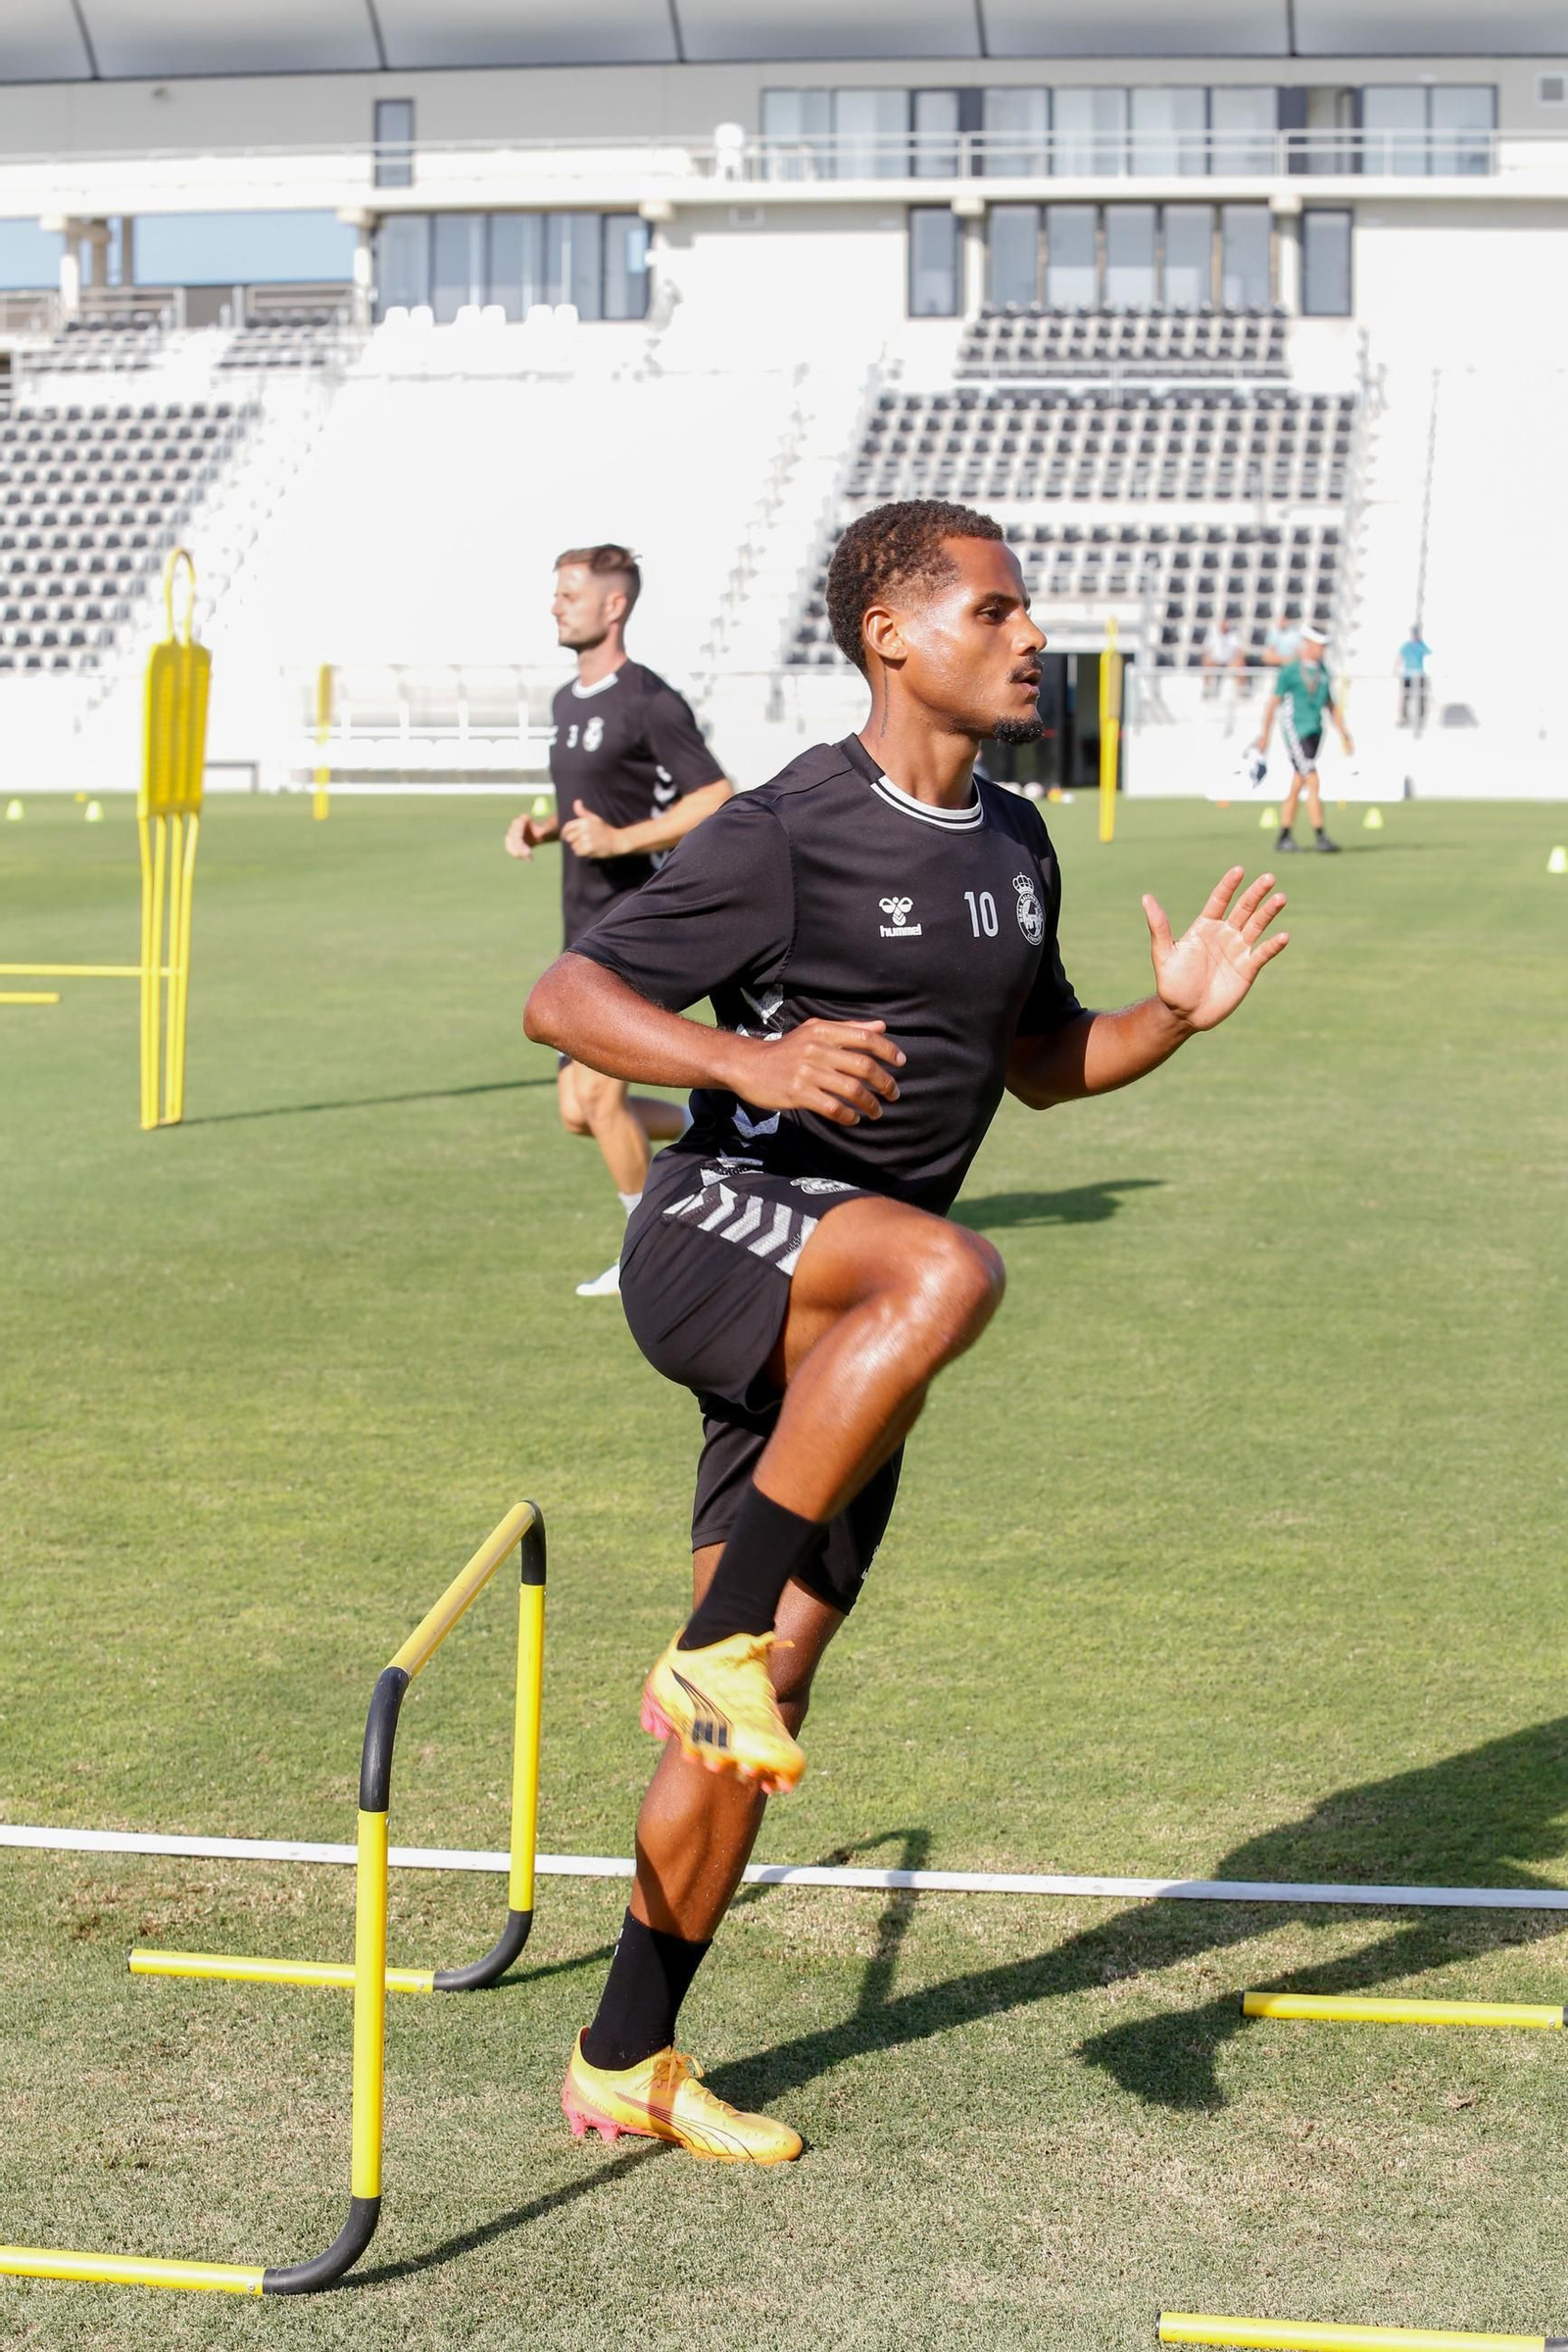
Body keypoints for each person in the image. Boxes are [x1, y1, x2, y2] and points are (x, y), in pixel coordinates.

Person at [524, 499, 1289, 2164]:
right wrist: (746, 1066)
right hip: (722, 1238)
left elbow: (1039, 1061)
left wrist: (1170, 1015)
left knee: (768, 1705)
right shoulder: (791, 825)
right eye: (997, 612)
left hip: (842, 1336)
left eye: (1031, 615)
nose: (1033, 639)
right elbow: (566, 1004)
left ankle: (625, 2057)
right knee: (953, 1276)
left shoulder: (1016, 842)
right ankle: (712, 1637)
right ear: (892, 635)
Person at [507, 544, 734, 1296]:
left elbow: (716, 797)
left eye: (569, 593)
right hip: (580, 926)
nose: (555, 605)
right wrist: (543, 829)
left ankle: (648, 1255)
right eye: (555, 593)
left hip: (640, 926)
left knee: (604, 1099)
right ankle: (730, 1125)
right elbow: (593, 806)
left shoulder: (650, 700)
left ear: (615, 606)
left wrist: (621, 841)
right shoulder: (567, 702)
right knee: (580, 1113)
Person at [1254, 623, 1353, 855]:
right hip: (1295, 730)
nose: (1323, 650)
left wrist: (1345, 735)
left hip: (1315, 731)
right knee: (1312, 779)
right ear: (1308, 644)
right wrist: (1265, 736)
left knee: (1299, 783)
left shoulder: (1324, 672)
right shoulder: (1290, 671)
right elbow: (1273, 705)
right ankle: (1320, 836)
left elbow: (1330, 706)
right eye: (1320, 645)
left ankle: (1284, 835)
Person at [1200, 611, 1247, 697]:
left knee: (1240, 663)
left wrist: (1237, 659)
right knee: (1206, 662)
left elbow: (1239, 650)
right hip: (1216, 660)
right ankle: (1206, 688)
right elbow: (1206, 649)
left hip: (1230, 661)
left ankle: (1241, 688)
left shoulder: (1234, 634)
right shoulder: (1213, 634)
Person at [1396, 623, 1432, 729]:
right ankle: (1404, 717)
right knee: (1406, 696)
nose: (1415, 635)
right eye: (1414, 633)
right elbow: (1400, 657)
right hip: (1408, 675)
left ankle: (1421, 716)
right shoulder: (1406, 646)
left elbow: (1429, 654)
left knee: (1421, 695)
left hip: (1419, 673)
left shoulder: (1421, 645)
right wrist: (1396, 669)